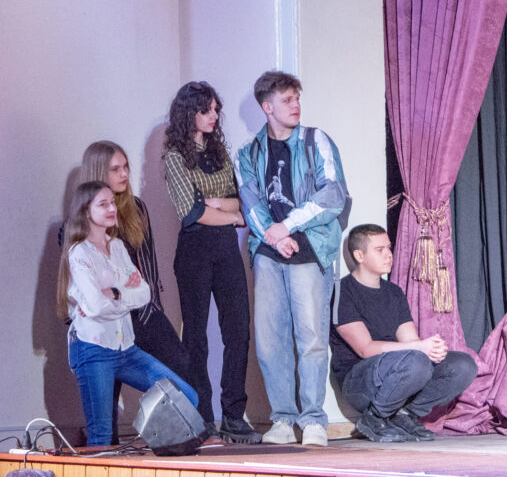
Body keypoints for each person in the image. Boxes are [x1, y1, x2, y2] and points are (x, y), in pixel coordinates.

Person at [236, 71, 348, 446]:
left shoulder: (316, 141)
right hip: (269, 252)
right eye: (287, 100)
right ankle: (283, 419)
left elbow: (333, 194)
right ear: (267, 107)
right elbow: (250, 200)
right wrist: (274, 234)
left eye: (297, 97)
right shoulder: (249, 152)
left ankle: (313, 419)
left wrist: (287, 226)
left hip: (309, 247)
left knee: (311, 336)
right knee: (270, 340)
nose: (295, 105)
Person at [57, 181, 197, 446]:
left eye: (112, 202)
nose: (113, 209)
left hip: (126, 349)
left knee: (187, 396)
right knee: (101, 434)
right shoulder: (79, 253)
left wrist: (116, 293)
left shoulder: (118, 247)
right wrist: (123, 294)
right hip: (93, 348)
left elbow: (144, 294)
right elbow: (96, 305)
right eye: (103, 204)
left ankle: (154, 443)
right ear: (86, 211)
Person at [162, 81, 261, 444]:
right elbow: (191, 213)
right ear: (189, 112)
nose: (214, 115)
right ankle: (202, 416)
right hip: (195, 250)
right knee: (197, 336)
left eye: (216, 109)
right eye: (207, 109)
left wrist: (220, 206)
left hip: (225, 249)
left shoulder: (219, 152)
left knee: (238, 329)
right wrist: (230, 215)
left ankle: (233, 414)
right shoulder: (174, 156)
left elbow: (239, 201)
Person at [330, 224, 478, 442]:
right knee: (416, 359)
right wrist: (419, 348)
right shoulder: (342, 291)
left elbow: (410, 340)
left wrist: (431, 350)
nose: (388, 255)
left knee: (463, 365)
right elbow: (366, 349)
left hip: (396, 372)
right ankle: (375, 417)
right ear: (359, 255)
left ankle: (404, 414)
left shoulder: (393, 292)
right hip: (359, 382)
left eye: (388, 248)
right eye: (379, 250)